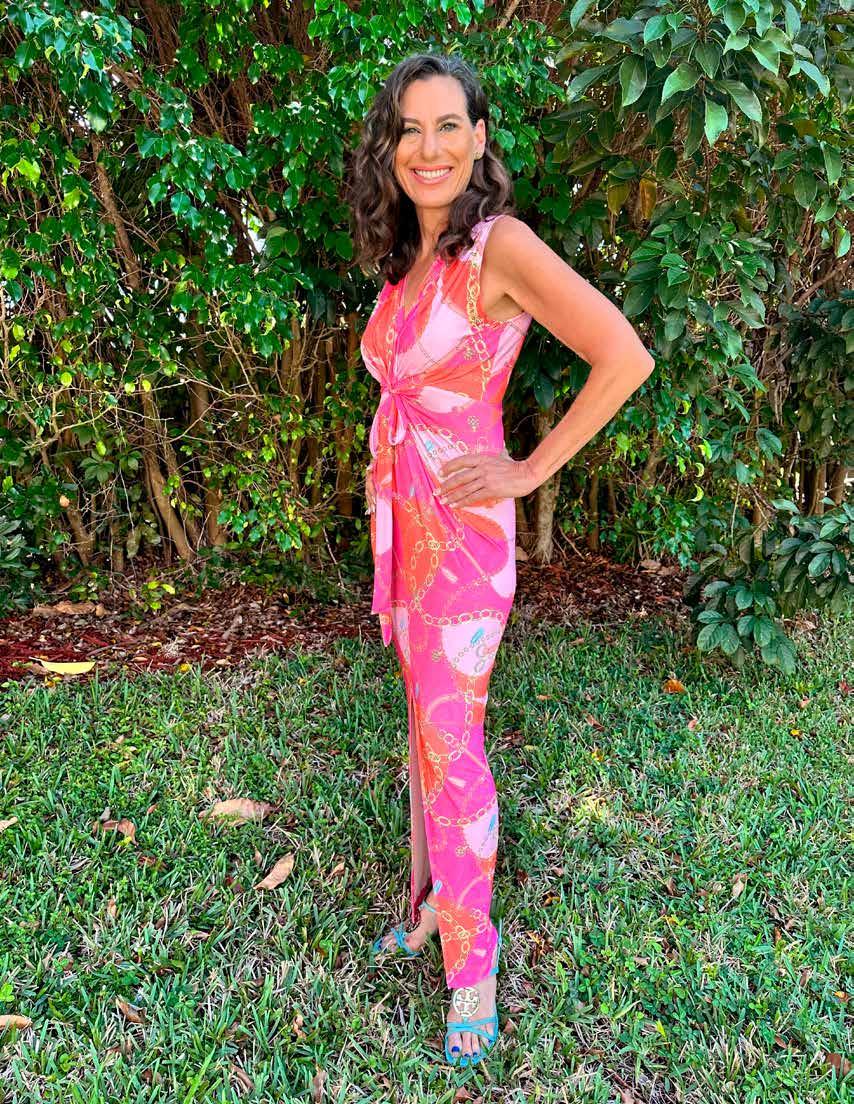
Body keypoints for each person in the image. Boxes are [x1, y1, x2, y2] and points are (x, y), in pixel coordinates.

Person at [346, 52, 655, 1070]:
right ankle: (431, 905)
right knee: (422, 731)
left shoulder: (499, 247)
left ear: (479, 139)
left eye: (448, 126)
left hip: (463, 540)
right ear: (390, 149)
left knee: (453, 743)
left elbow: (624, 356)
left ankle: (471, 966)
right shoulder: (409, 260)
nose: (427, 148)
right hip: (404, 527)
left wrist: (527, 470)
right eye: (409, 129)